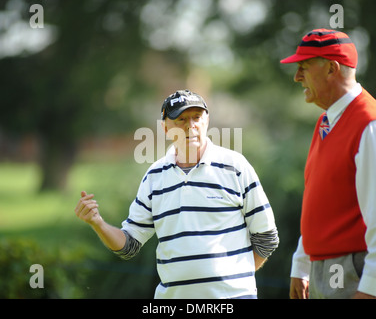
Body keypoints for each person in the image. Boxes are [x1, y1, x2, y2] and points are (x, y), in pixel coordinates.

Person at [75, 89, 279, 299]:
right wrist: (98, 223)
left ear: (206, 121)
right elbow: (129, 245)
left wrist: (235, 278)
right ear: (165, 128)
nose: (190, 126)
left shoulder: (235, 167)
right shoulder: (154, 177)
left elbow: (267, 237)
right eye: (181, 119)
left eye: (197, 118)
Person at [280, 29, 376, 299]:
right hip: (326, 268)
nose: (297, 76)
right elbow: (319, 202)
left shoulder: (368, 124)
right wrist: (301, 264)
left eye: (304, 67)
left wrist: (370, 289)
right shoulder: (325, 122)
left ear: (332, 69)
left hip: (352, 270)